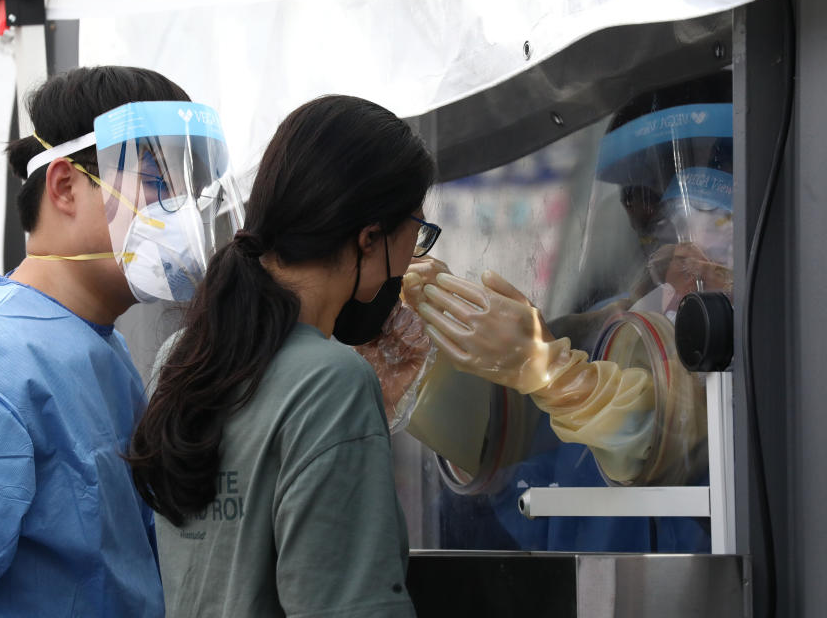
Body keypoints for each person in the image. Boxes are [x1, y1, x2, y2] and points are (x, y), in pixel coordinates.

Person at [0, 65, 233, 615]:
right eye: (158, 183)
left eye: (188, 191)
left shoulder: (97, 351)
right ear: (65, 186)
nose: (179, 214)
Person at [127, 95, 438, 617]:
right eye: (418, 229)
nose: (414, 254)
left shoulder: (181, 359)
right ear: (370, 236)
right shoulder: (332, 382)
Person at [399, 72, 732, 552]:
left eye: (713, 217)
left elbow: (682, 445)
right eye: (642, 199)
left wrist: (551, 372)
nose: (670, 236)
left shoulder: (774, 334)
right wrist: (436, 378)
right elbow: (520, 482)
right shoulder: (604, 329)